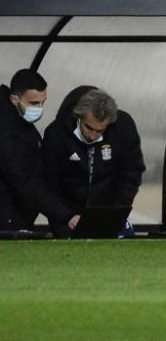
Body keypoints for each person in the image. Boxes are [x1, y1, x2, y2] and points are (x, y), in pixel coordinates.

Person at [41, 86, 145, 238]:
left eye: (100, 131)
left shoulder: (123, 127)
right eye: (89, 128)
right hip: (67, 215)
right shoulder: (56, 134)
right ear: (79, 117)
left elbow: (131, 173)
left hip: (109, 211)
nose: (93, 135)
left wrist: (116, 211)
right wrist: (65, 216)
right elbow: (47, 183)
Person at [0, 69, 51, 232]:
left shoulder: (19, 121)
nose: (40, 108)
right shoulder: (8, 131)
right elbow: (23, 180)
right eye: (34, 103)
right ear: (14, 99)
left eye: (43, 102)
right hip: (8, 215)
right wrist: (63, 214)